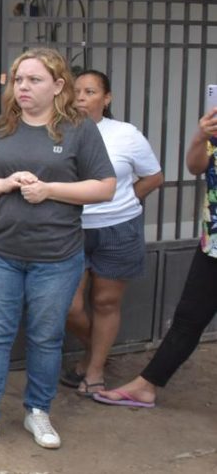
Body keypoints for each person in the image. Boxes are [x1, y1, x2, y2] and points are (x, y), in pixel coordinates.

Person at [0, 48, 115, 451]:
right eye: (19, 79)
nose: (23, 87)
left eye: (34, 80)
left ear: (58, 85)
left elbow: (104, 186)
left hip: (57, 256)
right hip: (1, 252)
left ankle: (38, 411)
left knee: (45, 337)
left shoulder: (78, 129)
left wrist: (50, 190)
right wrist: (5, 184)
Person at [93, 105, 217, 409]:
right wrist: (201, 136)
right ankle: (145, 386)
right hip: (213, 241)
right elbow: (195, 167)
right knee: (189, 317)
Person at [62, 70, 163, 396]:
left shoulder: (126, 134)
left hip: (118, 229)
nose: (80, 97)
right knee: (68, 305)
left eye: (89, 91)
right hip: (71, 229)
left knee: (106, 302)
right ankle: (97, 352)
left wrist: (125, 200)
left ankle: (93, 371)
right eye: (76, 91)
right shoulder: (58, 131)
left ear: (106, 99)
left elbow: (153, 176)